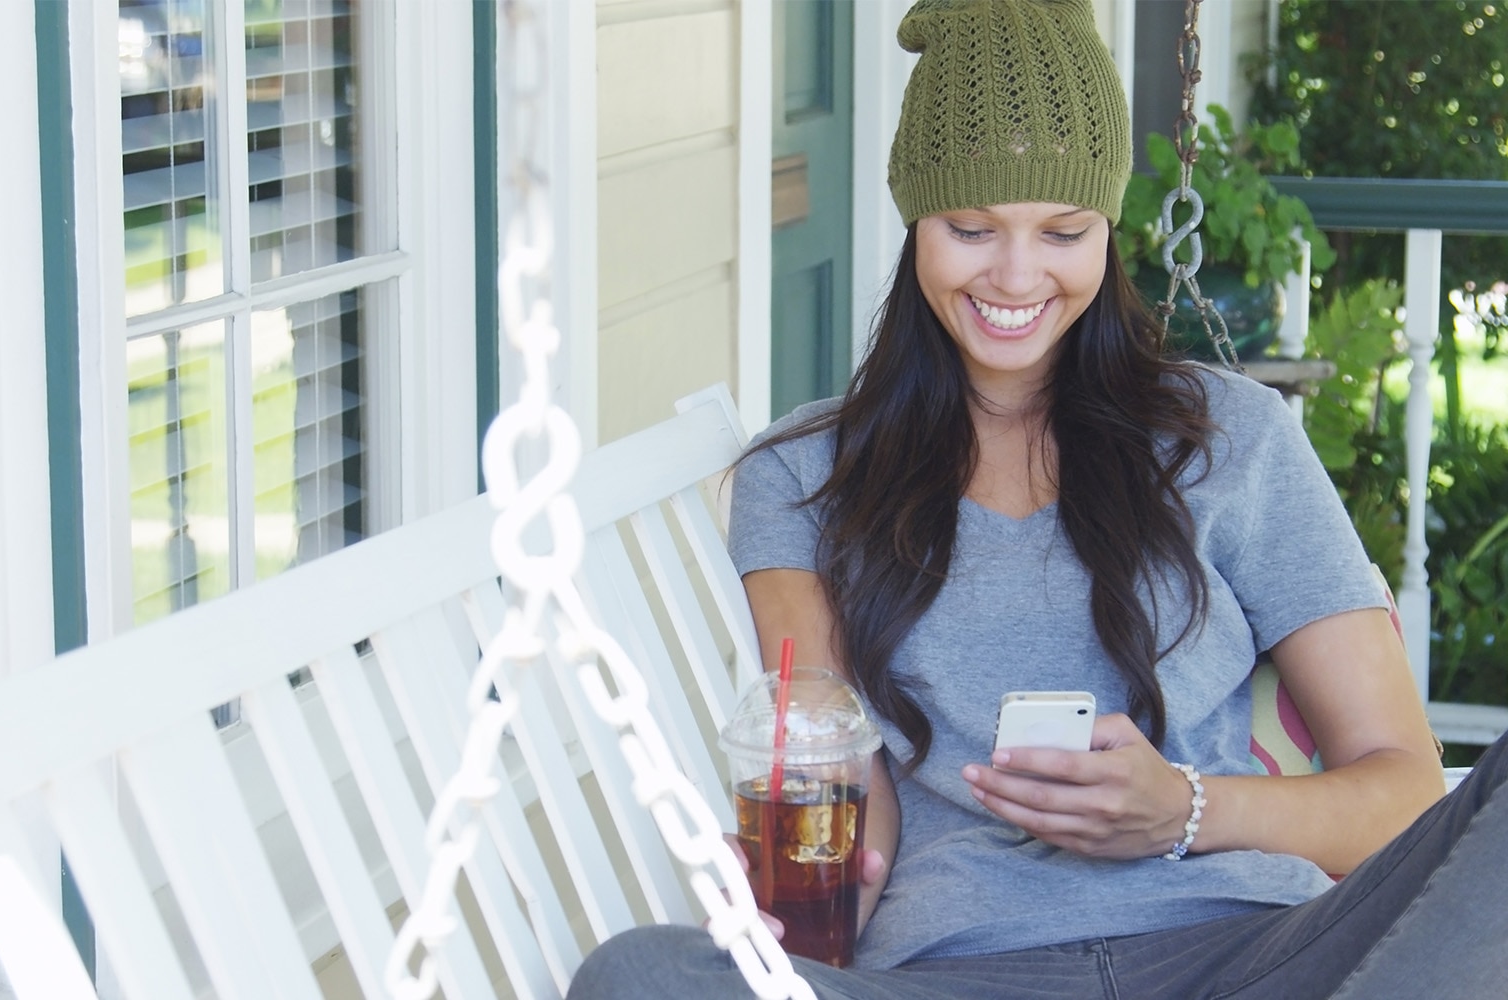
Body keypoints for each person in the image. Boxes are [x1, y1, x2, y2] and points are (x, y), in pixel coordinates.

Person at [567, 1, 1508, 996]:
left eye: (1063, 230)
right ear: (916, 222)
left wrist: (1186, 808)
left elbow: (1404, 785)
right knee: (639, 974)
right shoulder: (802, 477)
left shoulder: (1232, 438)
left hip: (1250, 957)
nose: (1017, 276)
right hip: (958, 970)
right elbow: (843, 776)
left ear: (1108, 227)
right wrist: (814, 882)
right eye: (971, 227)